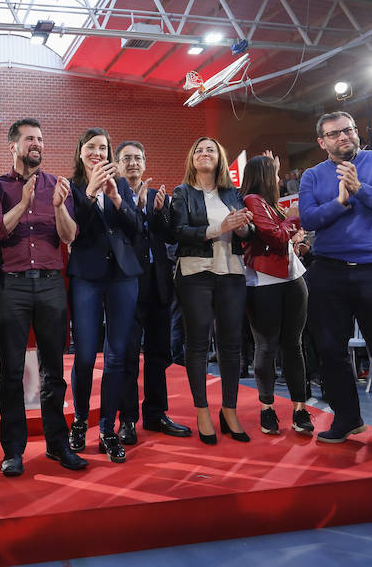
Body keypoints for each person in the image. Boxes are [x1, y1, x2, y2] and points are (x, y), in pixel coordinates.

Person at [300, 111, 372, 460]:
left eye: (347, 130)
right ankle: (347, 418)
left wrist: (362, 189)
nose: (343, 137)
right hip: (329, 272)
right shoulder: (312, 175)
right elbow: (309, 218)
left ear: (356, 133)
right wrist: (339, 203)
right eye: (333, 134)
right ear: (322, 142)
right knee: (331, 352)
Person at [0, 118, 86, 476]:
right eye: (29, 139)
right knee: (11, 372)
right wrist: (23, 201)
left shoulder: (59, 186)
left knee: (53, 370)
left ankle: (57, 445)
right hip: (11, 285)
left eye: (40, 139)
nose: (36, 144)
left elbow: (70, 237)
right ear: (13, 145)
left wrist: (58, 206)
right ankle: (13, 450)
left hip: (50, 285)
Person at [66, 128, 143, 463]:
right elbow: (72, 228)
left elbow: (136, 227)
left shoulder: (122, 183)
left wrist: (114, 197)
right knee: (84, 356)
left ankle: (108, 428)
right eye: (91, 147)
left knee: (116, 356)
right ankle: (80, 420)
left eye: (103, 148)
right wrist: (91, 191)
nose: (97, 153)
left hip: (123, 276)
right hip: (85, 276)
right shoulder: (69, 186)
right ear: (81, 151)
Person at [171, 137, 254, 445]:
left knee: (232, 344)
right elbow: (178, 233)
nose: (204, 154)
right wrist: (218, 229)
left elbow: (250, 231)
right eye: (199, 150)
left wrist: (243, 226)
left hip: (231, 271)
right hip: (195, 273)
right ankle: (202, 410)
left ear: (220, 159)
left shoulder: (233, 193)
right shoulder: (182, 193)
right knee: (197, 343)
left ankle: (229, 409)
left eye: (210, 150)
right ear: (192, 159)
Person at [116, 141, 191, 444]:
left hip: (159, 283)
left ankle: (156, 413)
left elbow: (171, 235)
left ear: (145, 162)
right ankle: (128, 420)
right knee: (129, 356)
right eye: (126, 159)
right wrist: (134, 208)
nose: (133, 163)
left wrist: (159, 212)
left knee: (159, 354)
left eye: (138, 158)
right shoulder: (112, 197)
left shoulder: (162, 198)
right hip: (126, 285)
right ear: (118, 165)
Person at [240, 152, 313, 436]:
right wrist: (294, 219)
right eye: (275, 173)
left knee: (293, 346)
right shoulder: (251, 201)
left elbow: (281, 238)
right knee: (267, 346)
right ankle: (267, 408)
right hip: (263, 284)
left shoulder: (269, 203)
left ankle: (300, 408)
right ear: (263, 177)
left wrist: (292, 231)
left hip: (293, 278)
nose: (280, 179)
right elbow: (276, 236)